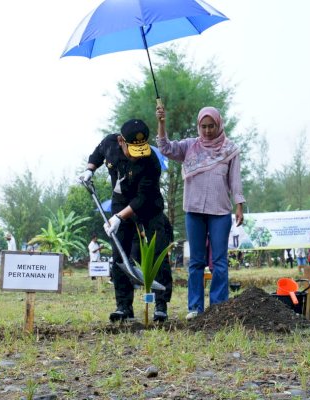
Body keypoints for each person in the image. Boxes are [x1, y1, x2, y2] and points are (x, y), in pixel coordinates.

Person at [79, 118, 173, 322]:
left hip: (148, 207)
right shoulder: (110, 143)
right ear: (121, 141)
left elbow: (142, 197)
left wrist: (120, 217)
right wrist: (89, 169)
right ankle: (123, 306)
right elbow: (97, 153)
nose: (136, 156)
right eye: (132, 149)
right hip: (120, 202)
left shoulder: (151, 161)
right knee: (119, 255)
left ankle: (160, 305)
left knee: (158, 252)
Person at [156, 105, 245, 320]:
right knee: (196, 261)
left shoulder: (229, 149)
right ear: (198, 126)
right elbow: (166, 148)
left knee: (220, 261)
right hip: (194, 210)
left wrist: (239, 205)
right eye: (203, 126)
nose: (207, 131)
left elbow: (235, 180)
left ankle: (219, 308)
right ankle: (195, 308)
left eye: (211, 126)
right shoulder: (189, 147)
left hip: (220, 211)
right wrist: (161, 123)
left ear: (218, 125)